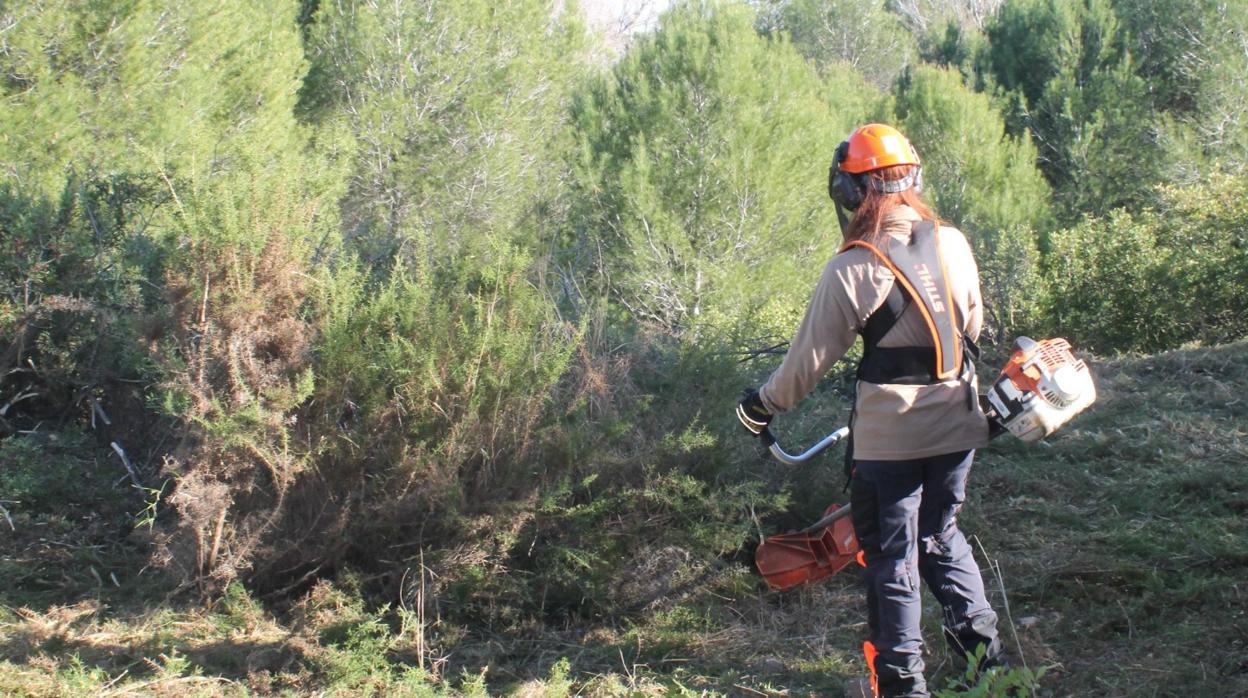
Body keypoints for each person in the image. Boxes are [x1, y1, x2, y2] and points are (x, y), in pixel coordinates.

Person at [735, 124, 1006, 697]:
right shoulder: (952, 241)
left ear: (856, 192)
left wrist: (761, 407)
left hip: (891, 443)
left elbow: (806, 364)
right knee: (940, 535)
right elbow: (973, 327)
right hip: (960, 424)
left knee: (891, 557)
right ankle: (990, 668)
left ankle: (904, 686)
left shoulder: (855, 266)